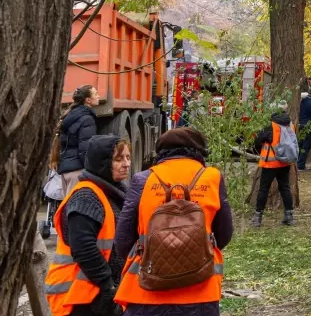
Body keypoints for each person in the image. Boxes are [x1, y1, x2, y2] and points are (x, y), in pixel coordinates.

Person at [114, 127, 234, 316]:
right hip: (201, 291)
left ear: (161, 153)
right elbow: (225, 233)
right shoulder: (212, 178)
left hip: (146, 291)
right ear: (198, 152)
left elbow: (122, 240)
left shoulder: (142, 180)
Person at [45, 135, 131, 316]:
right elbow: (84, 249)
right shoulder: (86, 196)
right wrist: (108, 286)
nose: (126, 164)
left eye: (128, 157)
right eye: (118, 159)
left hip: (92, 293)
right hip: (77, 297)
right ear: (102, 163)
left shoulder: (109, 192)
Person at [252, 105, 296, 227]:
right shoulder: (290, 125)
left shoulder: (270, 126)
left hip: (269, 163)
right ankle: (289, 216)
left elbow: (257, 141)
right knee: (285, 188)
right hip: (285, 162)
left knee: (264, 189)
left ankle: (257, 217)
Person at [58, 85, 100, 193]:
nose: (98, 96)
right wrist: (92, 171)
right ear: (88, 100)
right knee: (77, 208)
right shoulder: (87, 119)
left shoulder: (70, 116)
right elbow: (85, 149)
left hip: (66, 170)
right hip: (77, 172)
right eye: (96, 94)